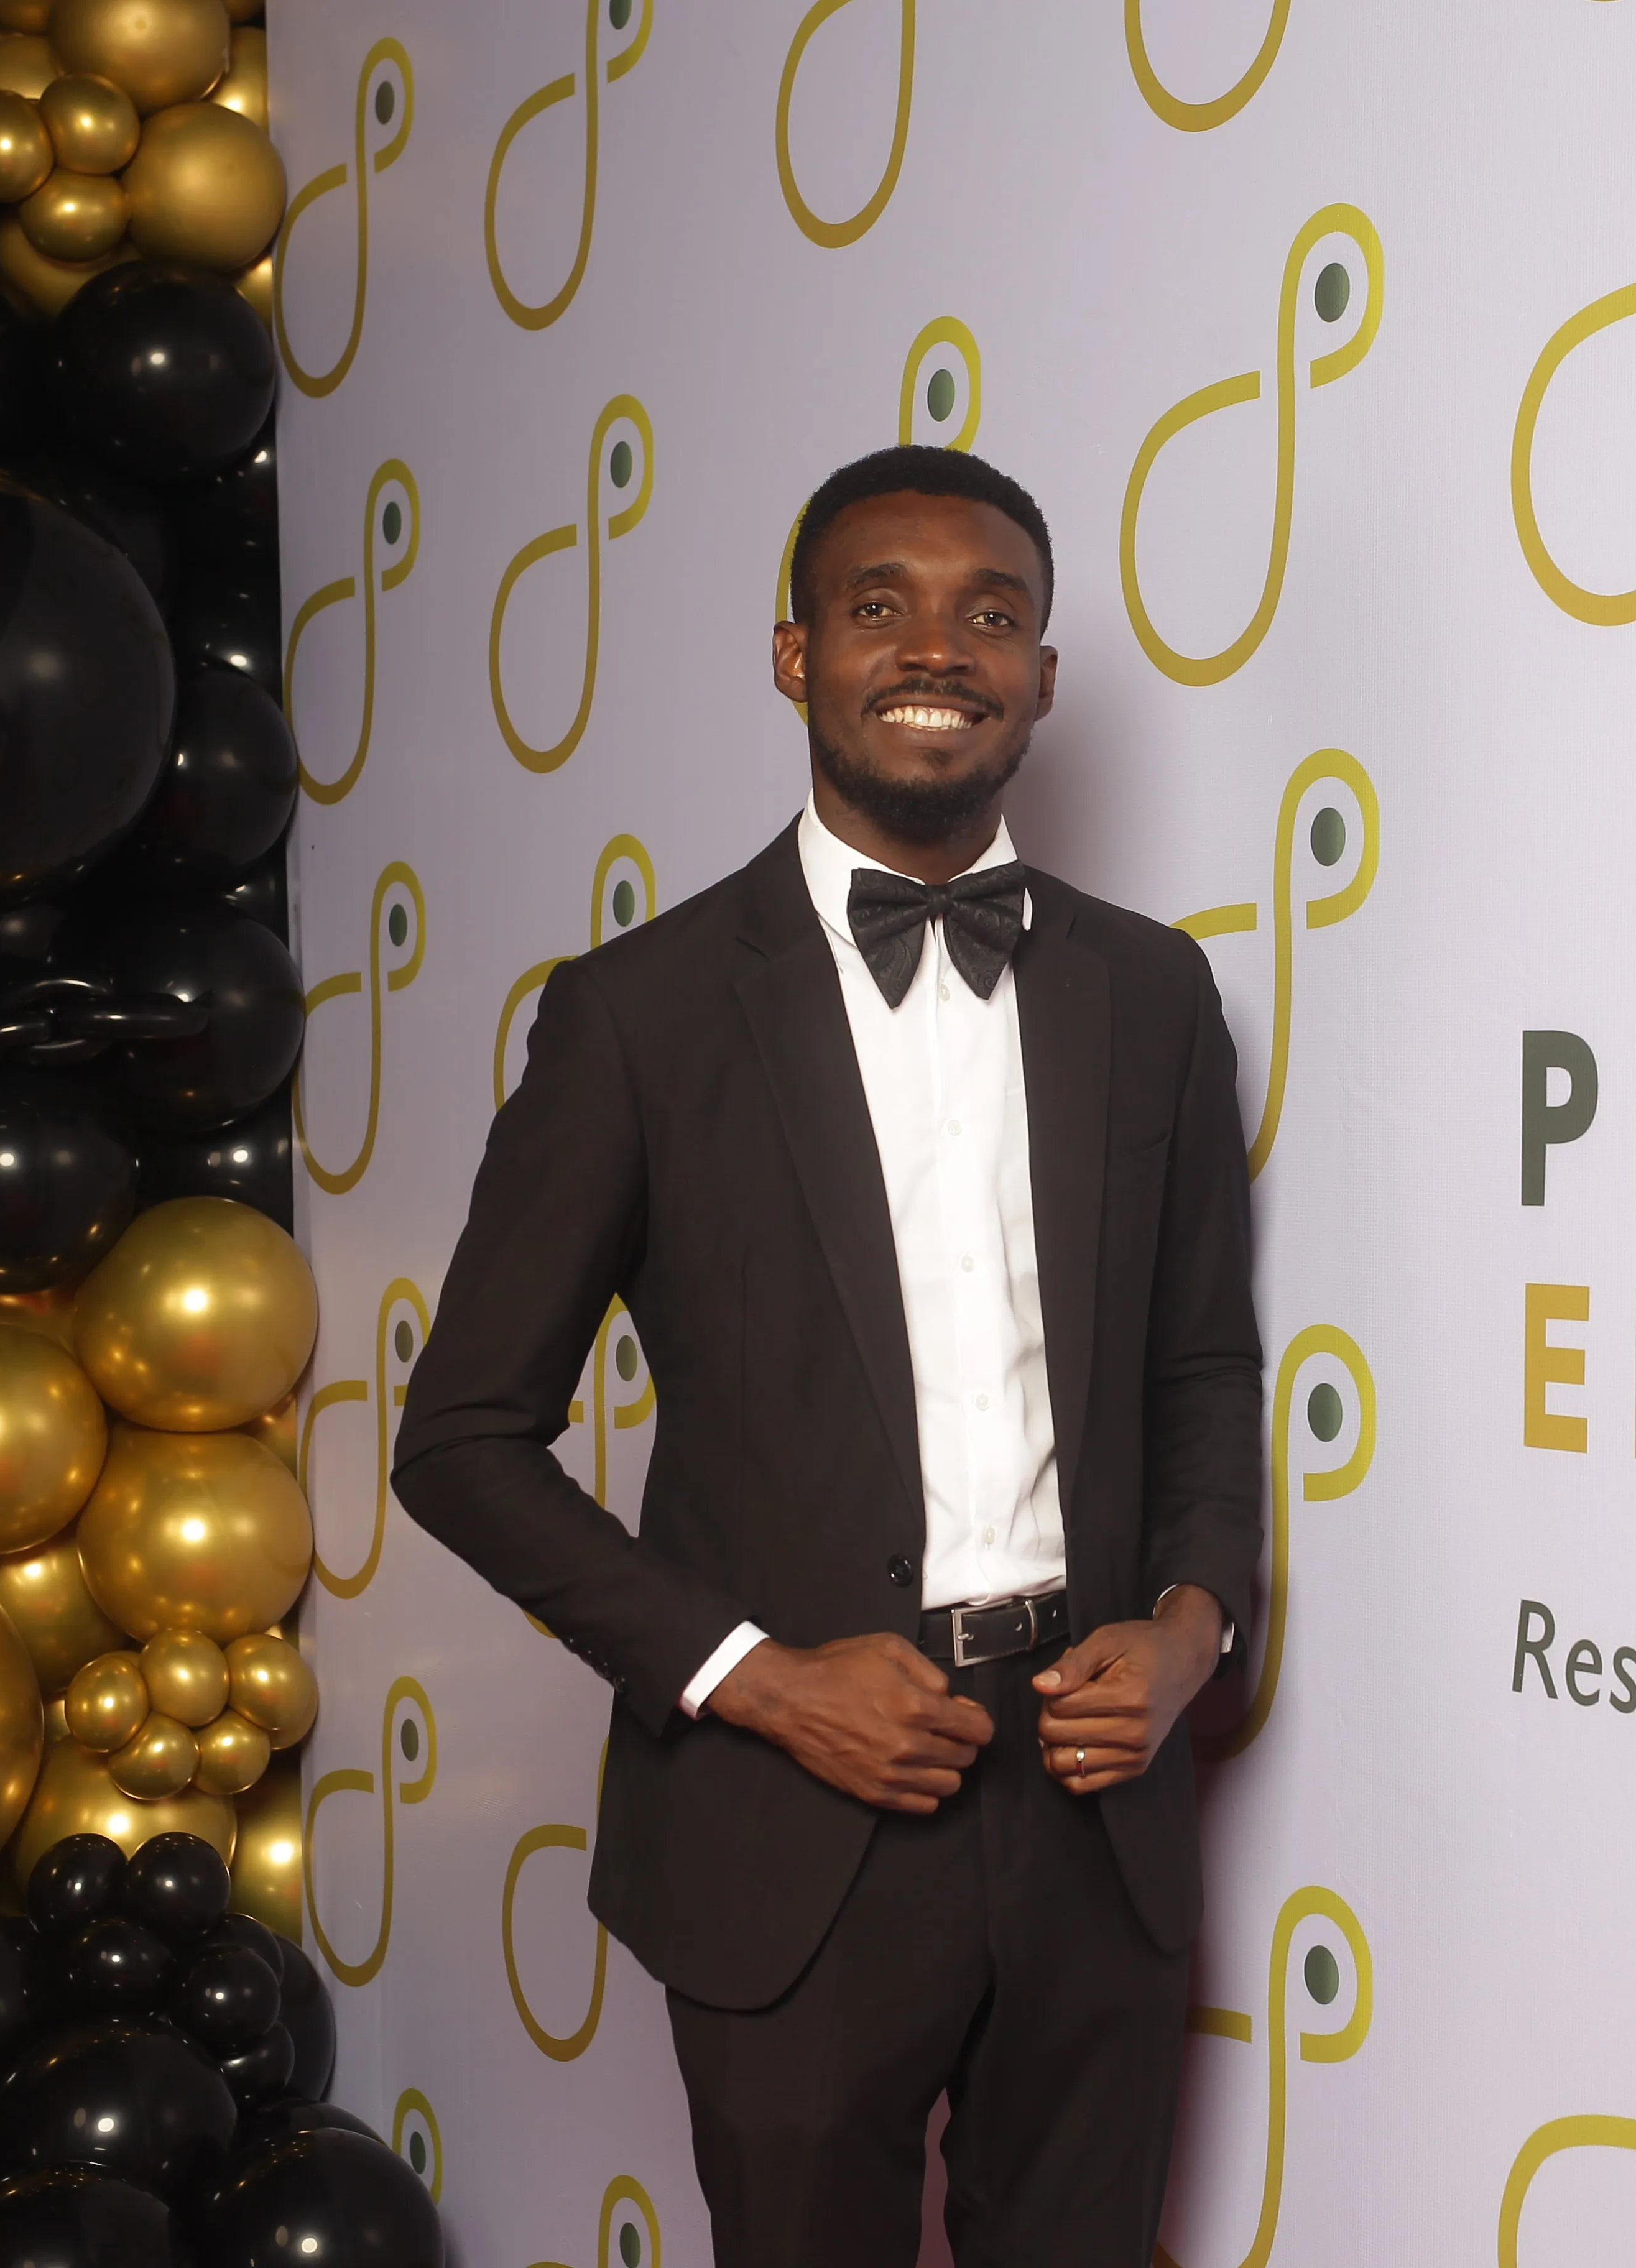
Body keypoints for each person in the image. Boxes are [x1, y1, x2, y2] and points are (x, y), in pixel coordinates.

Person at [392, 443, 1264, 2267]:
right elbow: (461, 1437)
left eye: (991, 616)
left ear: (1041, 676)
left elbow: (1197, 1366)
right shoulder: (637, 1017)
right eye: (882, 607)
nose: (938, 648)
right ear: (796, 656)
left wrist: (1192, 1628)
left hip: (1096, 1803)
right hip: (795, 1816)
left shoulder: (1155, 991)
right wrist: (761, 1680)